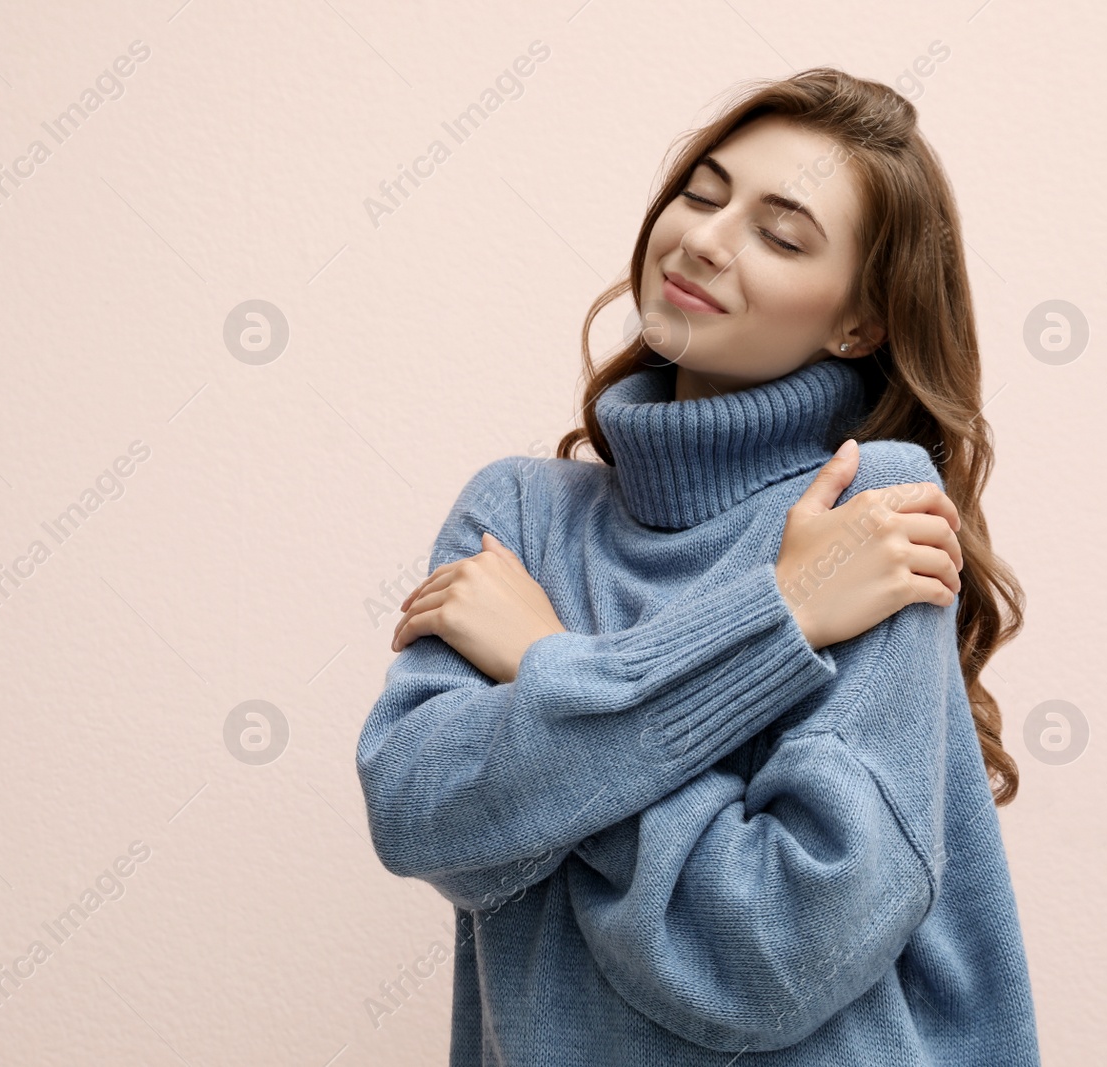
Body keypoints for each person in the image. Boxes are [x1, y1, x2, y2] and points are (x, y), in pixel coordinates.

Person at [356, 67, 1039, 1065]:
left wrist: (542, 660)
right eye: (702, 192)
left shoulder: (871, 509)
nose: (706, 240)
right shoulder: (518, 510)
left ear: (857, 322)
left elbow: (770, 950)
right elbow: (421, 817)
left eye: (781, 231)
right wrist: (779, 624)